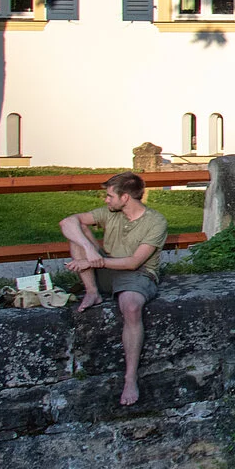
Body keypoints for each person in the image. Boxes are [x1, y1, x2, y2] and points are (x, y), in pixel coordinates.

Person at [59, 172, 169, 406]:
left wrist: (91, 262)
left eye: (110, 196)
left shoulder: (155, 221)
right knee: (77, 235)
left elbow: (133, 263)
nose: (106, 200)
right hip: (108, 269)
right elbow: (67, 222)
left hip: (137, 274)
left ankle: (130, 378)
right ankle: (92, 292)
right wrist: (89, 250)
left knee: (130, 306)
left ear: (126, 197)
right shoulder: (110, 213)